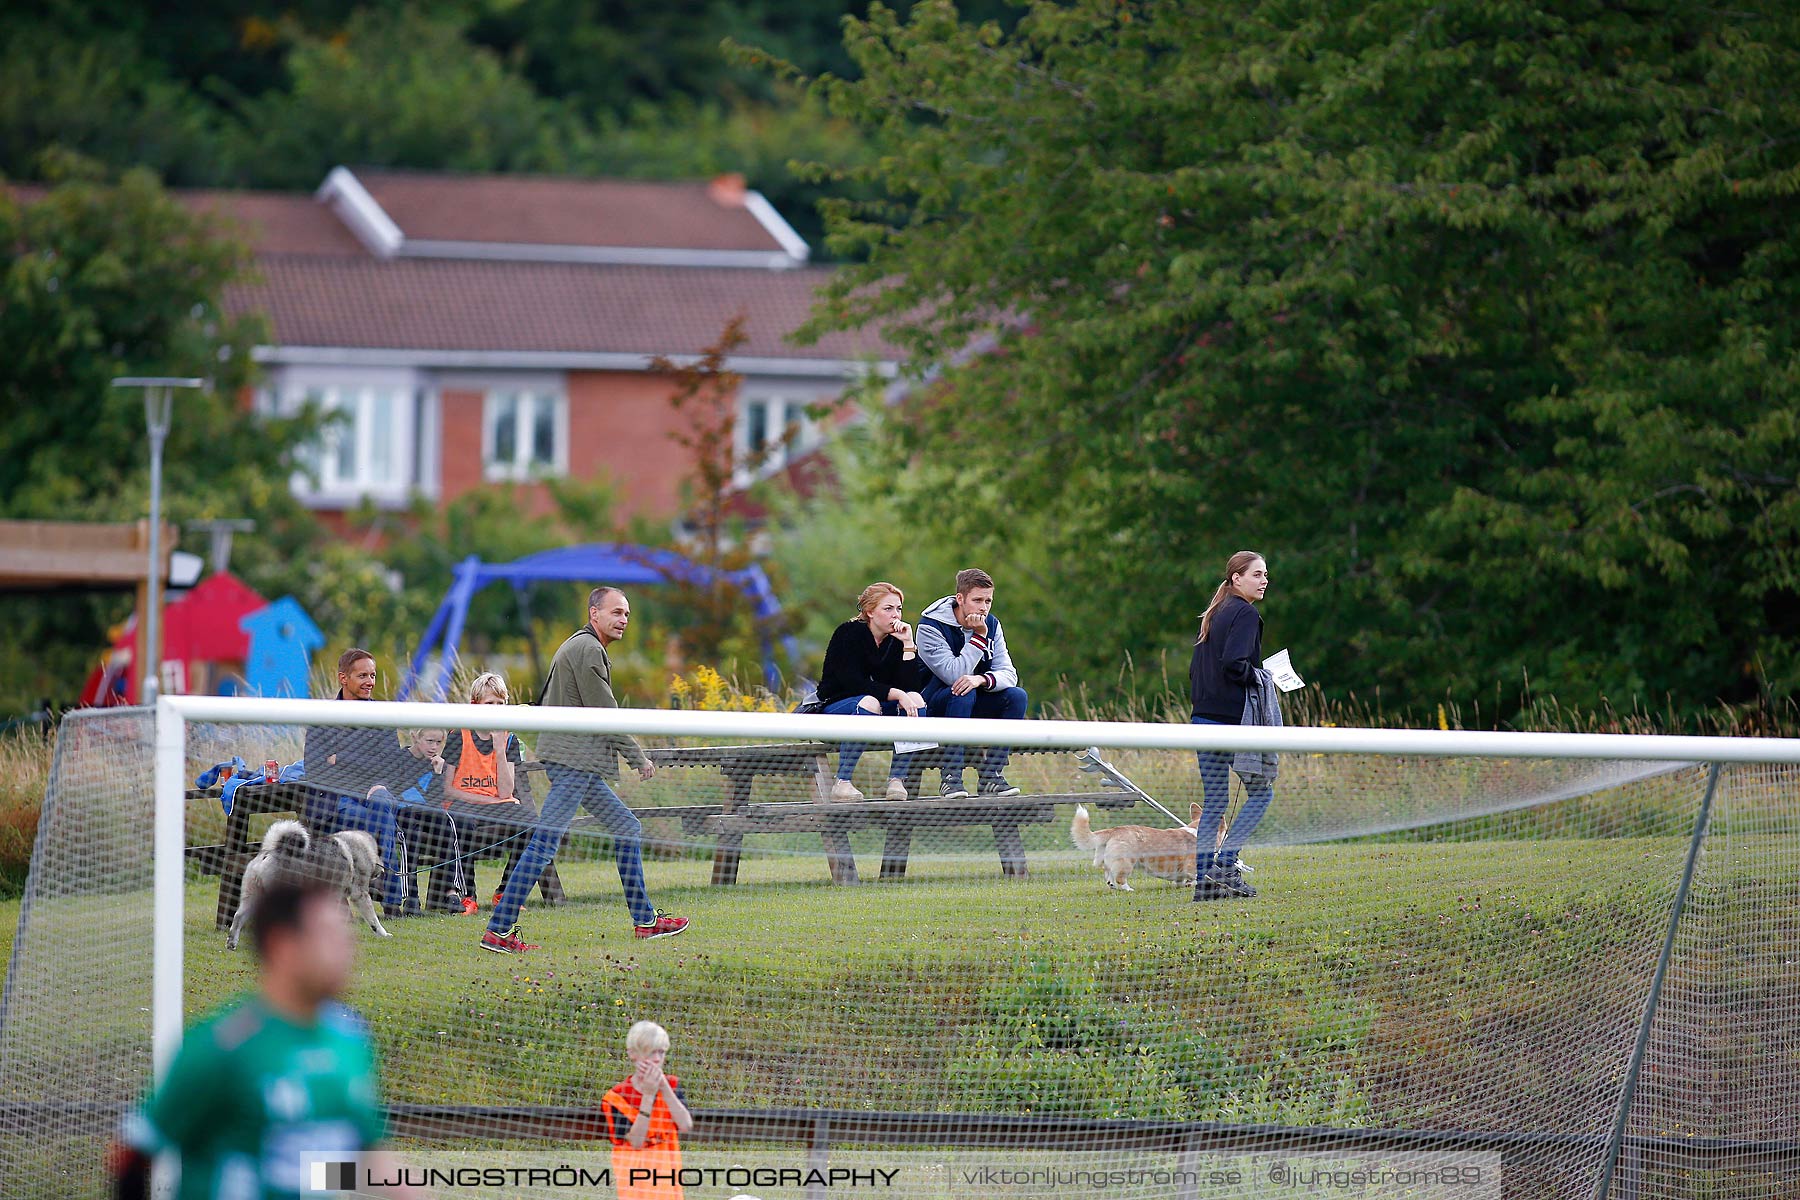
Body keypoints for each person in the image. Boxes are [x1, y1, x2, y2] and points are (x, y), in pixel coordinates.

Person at [109, 874, 426, 1200]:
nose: (348, 951)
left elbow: (359, 1157)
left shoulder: (350, 1041)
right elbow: (132, 1155)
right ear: (282, 946)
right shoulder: (222, 1048)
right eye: (331, 937)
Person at [480, 587, 689, 954]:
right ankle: (499, 929)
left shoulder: (579, 645)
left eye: (627, 614)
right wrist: (638, 757)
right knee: (545, 843)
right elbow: (604, 713)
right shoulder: (589, 648)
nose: (624, 619)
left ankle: (645, 922)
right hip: (574, 761)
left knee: (627, 826)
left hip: (576, 762)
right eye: (617, 612)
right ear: (595, 613)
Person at [1188, 550, 1274, 900]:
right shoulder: (1245, 613)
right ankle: (1226, 862)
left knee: (1215, 802)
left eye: (1266, 574)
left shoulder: (1216, 613)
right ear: (1236, 578)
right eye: (1257, 574)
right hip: (1231, 722)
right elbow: (1234, 665)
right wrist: (1264, 676)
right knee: (1262, 791)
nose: (1264, 580)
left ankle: (1205, 881)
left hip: (1202, 718)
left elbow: (1199, 671)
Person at [437, 672, 562, 912]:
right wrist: (486, 799)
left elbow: (506, 790)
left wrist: (498, 748)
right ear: (475, 706)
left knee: (531, 824)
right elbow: (449, 789)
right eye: (489, 704)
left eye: (500, 704)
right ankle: (467, 895)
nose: (495, 709)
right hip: (464, 804)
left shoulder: (509, 739)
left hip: (497, 804)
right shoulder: (459, 736)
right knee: (461, 824)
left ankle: (506, 891)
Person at [303, 648, 410, 914]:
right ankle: (389, 890)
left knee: (382, 801)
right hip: (335, 800)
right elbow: (315, 769)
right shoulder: (322, 718)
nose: (370, 682)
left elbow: (392, 766)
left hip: (374, 797)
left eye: (373, 675)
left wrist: (341, 758)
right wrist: (364, 762)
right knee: (377, 816)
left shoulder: (383, 716)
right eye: (363, 675)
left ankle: (385, 885)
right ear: (343, 678)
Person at [915, 568, 1028, 798]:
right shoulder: (930, 627)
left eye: (988, 601)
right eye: (977, 600)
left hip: (975, 700)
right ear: (960, 599)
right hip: (936, 707)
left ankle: (991, 776)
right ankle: (951, 778)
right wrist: (978, 636)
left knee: (1017, 696)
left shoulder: (992, 625)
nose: (983, 607)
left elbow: (1009, 673)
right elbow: (953, 675)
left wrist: (981, 679)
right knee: (962, 691)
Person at [814, 582, 927, 801]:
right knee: (869, 702)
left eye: (899, 608)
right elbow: (854, 683)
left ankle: (897, 781)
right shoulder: (848, 633)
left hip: (876, 711)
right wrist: (897, 694)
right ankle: (842, 782)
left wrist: (908, 645)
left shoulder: (895, 640)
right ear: (870, 612)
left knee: (916, 699)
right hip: (837, 707)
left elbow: (911, 687)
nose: (896, 615)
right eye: (888, 608)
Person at [600, 1021, 693, 1200]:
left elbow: (685, 1124)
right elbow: (636, 1141)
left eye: (661, 1052)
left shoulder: (672, 1085)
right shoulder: (618, 1096)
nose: (657, 1059)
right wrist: (648, 1096)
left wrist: (664, 1088)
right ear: (633, 1054)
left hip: (668, 1183)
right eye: (651, 1052)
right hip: (636, 1185)